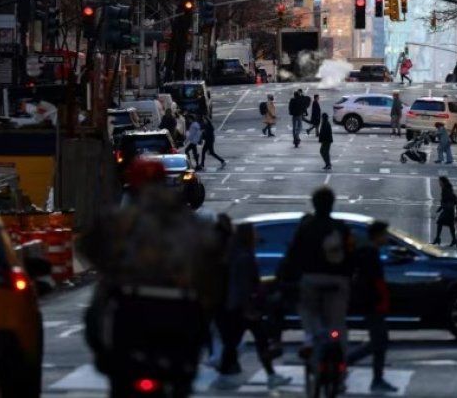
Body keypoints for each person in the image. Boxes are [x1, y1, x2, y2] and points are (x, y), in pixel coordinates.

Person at [80, 160, 223, 391]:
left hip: (129, 308)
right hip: (180, 310)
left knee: (97, 318)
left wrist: (111, 267)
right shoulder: (187, 220)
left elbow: (89, 247)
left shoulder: (119, 219)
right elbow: (210, 257)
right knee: (186, 363)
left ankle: (109, 363)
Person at [214, 224, 290, 390]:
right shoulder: (244, 257)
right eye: (254, 234)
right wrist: (249, 307)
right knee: (247, 341)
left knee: (240, 342)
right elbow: (243, 286)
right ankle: (269, 375)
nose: (257, 237)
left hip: (240, 306)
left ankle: (226, 373)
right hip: (244, 308)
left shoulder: (239, 254)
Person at [280, 188, 354, 349]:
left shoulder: (306, 227)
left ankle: (312, 338)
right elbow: (352, 253)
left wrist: (287, 278)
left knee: (309, 312)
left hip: (311, 278)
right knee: (337, 321)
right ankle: (338, 347)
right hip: (337, 278)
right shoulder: (340, 227)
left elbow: (293, 254)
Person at [347, 221, 397, 393]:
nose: (387, 237)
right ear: (377, 235)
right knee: (379, 341)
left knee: (380, 342)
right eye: (384, 234)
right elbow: (375, 281)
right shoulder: (369, 254)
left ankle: (377, 377)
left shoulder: (366, 252)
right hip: (373, 303)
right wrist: (382, 300)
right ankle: (347, 362)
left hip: (372, 302)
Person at [432, 177, 457, 246]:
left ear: (443, 182)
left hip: (448, 210)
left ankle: (437, 238)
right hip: (448, 210)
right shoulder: (446, 188)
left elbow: (449, 198)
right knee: (450, 225)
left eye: (440, 182)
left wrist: (442, 207)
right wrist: (440, 208)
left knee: (440, 222)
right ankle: (454, 239)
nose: (439, 183)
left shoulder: (446, 189)